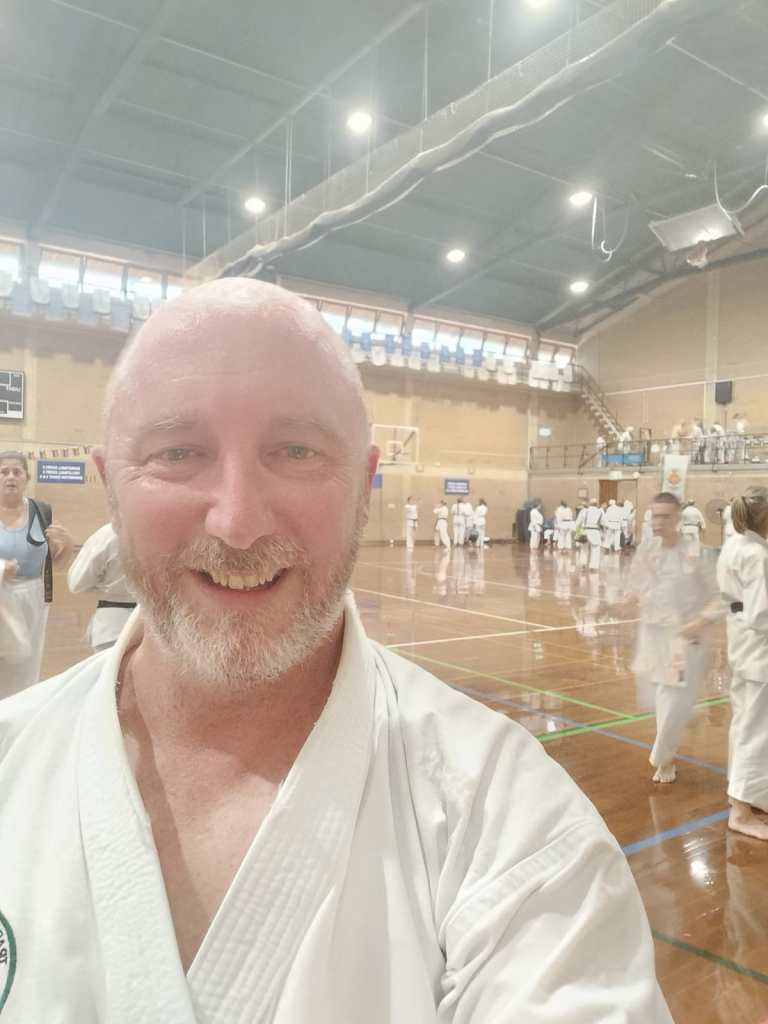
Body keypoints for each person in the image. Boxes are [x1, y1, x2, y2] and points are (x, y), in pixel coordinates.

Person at [0, 280, 672, 1019]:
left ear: (365, 483)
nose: (237, 523)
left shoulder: (511, 824)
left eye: (296, 451)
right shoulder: (13, 755)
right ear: (110, 488)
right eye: (177, 453)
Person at [624, 493, 722, 784]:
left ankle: (662, 759)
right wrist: (622, 601)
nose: (659, 522)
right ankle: (680, 722)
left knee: (670, 698)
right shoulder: (646, 550)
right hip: (651, 633)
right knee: (661, 697)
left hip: (681, 637)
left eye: (665, 516)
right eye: (655, 515)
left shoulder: (695, 553)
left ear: (678, 519)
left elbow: (718, 596)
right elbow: (635, 586)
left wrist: (700, 621)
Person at [716, 486, 768, 840]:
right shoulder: (757, 554)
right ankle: (740, 810)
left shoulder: (735, 545)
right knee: (756, 729)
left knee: (744, 723)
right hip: (759, 647)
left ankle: (750, 795)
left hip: (741, 641)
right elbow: (762, 615)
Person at [0, 451, 72, 697]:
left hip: (31, 598)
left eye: (17, 472)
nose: (10, 477)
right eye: (4, 472)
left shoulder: (41, 511)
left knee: (25, 668)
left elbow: (56, 564)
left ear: (26, 478)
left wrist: (67, 545)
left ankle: (19, 714)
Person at [67, 522, 136, 651]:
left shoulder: (108, 535)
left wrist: (103, 585)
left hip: (111, 629)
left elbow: (77, 584)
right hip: (157, 628)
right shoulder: (165, 531)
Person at [574, 498, 603, 572]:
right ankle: (593, 566)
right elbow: (604, 522)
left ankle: (583, 564)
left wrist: (577, 532)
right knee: (595, 549)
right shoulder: (600, 511)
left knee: (584, 549)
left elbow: (578, 523)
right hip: (595, 532)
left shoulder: (584, 511)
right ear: (596, 504)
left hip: (585, 531)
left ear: (590, 504)